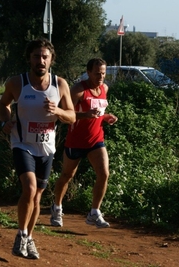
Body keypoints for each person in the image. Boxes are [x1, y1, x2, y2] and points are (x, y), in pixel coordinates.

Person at [0, 38, 75, 259]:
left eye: (45, 57)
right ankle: (21, 235)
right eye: (36, 56)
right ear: (29, 58)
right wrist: (6, 122)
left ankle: (29, 238)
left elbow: (72, 117)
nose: (40, 60)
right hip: (22, 144)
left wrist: (58, 111)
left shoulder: (59, 84)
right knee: (30, 189)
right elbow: (3, 104)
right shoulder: (17, 83)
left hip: (46, 148)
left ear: (51, 60)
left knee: (38, 196)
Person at [50, 58, 118, 228]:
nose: (101, 77)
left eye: (103, 73)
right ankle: (57, 207)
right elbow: (65, 115)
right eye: (97, 73)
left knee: (104, 173)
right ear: (88, 72)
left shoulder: (105, 88)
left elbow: (99, 112)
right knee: (66, 176)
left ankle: (94, 213)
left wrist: (106, 117)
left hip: (96, 140)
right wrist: (85, 115)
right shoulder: (78, 90)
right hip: (76, 141)